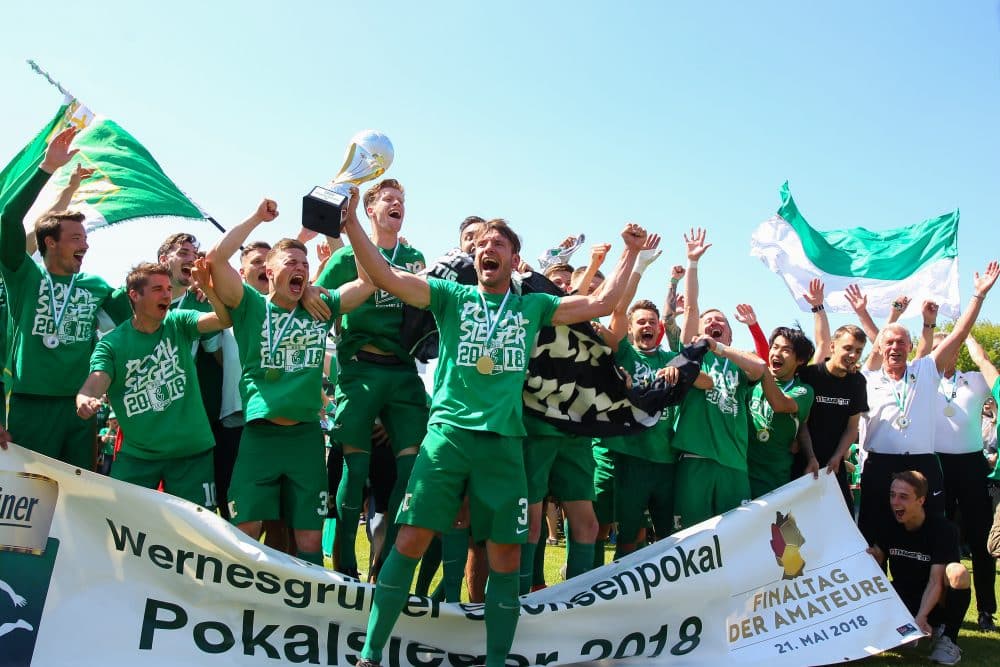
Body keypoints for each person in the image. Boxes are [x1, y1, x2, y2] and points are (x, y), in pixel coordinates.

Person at [342, 185, 646, 667]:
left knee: (506, 557)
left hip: (504, 446)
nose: (487, 249)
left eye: (498, 244)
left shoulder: (532, 307)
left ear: (515, 259)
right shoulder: (449, 296)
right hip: (447, 439)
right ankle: (371, 654)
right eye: (481, 243)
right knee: (410, 541)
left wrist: (629, 253)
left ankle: (497, 661)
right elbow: (384, 275)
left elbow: (600, 304)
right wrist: (351, 224)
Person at [207, 199, 372, 566]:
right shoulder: (250, 305)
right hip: (259, 437)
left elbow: (368, 281)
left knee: (309, 538)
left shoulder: (319, 307)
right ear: (268, 271)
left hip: (305, 438)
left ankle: (308, 617)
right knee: (244, 530)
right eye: (291, 263)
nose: (301, 269)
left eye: (305, 264)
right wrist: (255, 217)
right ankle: (237, 607)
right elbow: (217, 260)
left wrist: (351, 226)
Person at [314, 178, 428, 576]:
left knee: (412, 469)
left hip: (403, 374)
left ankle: (385, 564)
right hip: (360, 370)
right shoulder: (345, 258)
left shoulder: (414, 257)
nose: (397, 204)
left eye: (402, 200)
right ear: (370, 209)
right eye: (389, 200)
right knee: (356, 471)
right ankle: (345, 560)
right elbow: (315, 301)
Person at [0, 127, 130, 469]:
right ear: (51, 243)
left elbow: (139, 317)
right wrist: (46, 170)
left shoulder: (97, 285)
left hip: (79, 407)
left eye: (85, 238)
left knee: (77, 498)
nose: (84, 245)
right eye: (75, 238)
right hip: (31, 405)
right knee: (29, 495)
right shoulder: (23, 276)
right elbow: (8, 219)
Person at [858, 261, 1000, 544]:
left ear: (911, 348)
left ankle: (923, 588)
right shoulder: (866, 378)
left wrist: (979, 296)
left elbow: (959, 333)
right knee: (873, 539)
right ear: (880, 348)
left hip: (921, 466)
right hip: (878, 465)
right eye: (889, 343)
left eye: (901, 342)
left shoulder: (924, 371)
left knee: (924, 538)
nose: (895, 347)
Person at [75, 262, 228, 508]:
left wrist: (209, 290)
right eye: (158, 288)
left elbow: (225, 318)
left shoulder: (179, 322)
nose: (167, 294)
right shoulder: (112, 344)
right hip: (138, 457)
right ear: (134, 295)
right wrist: (84, 399)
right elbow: (94, 383)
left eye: (168, 288)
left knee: (196, 533)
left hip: (191, 454)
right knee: (120, 525)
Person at [673, 228, 766, 528]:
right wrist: (693, 263)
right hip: (695, 457)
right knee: (691, 539)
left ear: (729, 333)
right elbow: (690, 307)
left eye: (721, 321)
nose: (714, 322)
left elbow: (760, 368)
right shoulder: (692, 353)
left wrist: (723, 348)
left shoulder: (737, 359)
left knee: (735, 539)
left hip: (734, 462)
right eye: (708, 320)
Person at [925, 333, 998, 631]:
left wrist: (965, 335)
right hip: (937, 464)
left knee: (981, 543)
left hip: (972, 466)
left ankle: (986, 612)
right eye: (937, 349)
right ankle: (938, 607)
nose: (944, 354)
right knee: (940, 539)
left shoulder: (975, 380)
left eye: (949, 348)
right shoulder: (921, 381)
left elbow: (987, 365)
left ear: (957, 352)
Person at [867, 471, 971, 665]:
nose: (895, 502)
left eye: (903, 497)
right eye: (892, 495)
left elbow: (935, 581)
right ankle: (909, 629)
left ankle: (948, 638)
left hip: (934, 601)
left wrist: (922, 616)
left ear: (921, 500)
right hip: (902, 599)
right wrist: (873, 556)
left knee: (959, 572)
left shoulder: (943, 529)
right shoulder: (887, 524)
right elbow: (878, 558)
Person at [798, 280, 869, 511]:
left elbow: (852, 426)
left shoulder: (858, 381)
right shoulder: (810, 375)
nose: (853, 354)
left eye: (858, 350)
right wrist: (810, 456)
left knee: (844, 517)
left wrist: (838, 456)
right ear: (833, 347)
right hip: (802, 461)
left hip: (833, 465)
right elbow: (802, 423)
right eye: (848, 348)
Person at [743, 318, 816, 497]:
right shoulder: (751, 383)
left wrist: (811, 457)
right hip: (742, 473)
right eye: (775, 347)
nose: (777, 353)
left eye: (786, 350)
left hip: (775, 478)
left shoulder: (803, 391)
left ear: (800, 359)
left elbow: (780, 404)